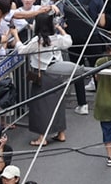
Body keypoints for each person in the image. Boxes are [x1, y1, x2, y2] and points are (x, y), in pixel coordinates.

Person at [19, 12, 72, 144]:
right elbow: (69, 41)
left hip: (42, 74)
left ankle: (42, 137)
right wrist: (60, 28)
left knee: (41, 106)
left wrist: (16, 37)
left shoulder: (36, 41)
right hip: (57, 73)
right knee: (58, 103)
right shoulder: (57, 39)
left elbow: (22, 50)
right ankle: (61, 133)